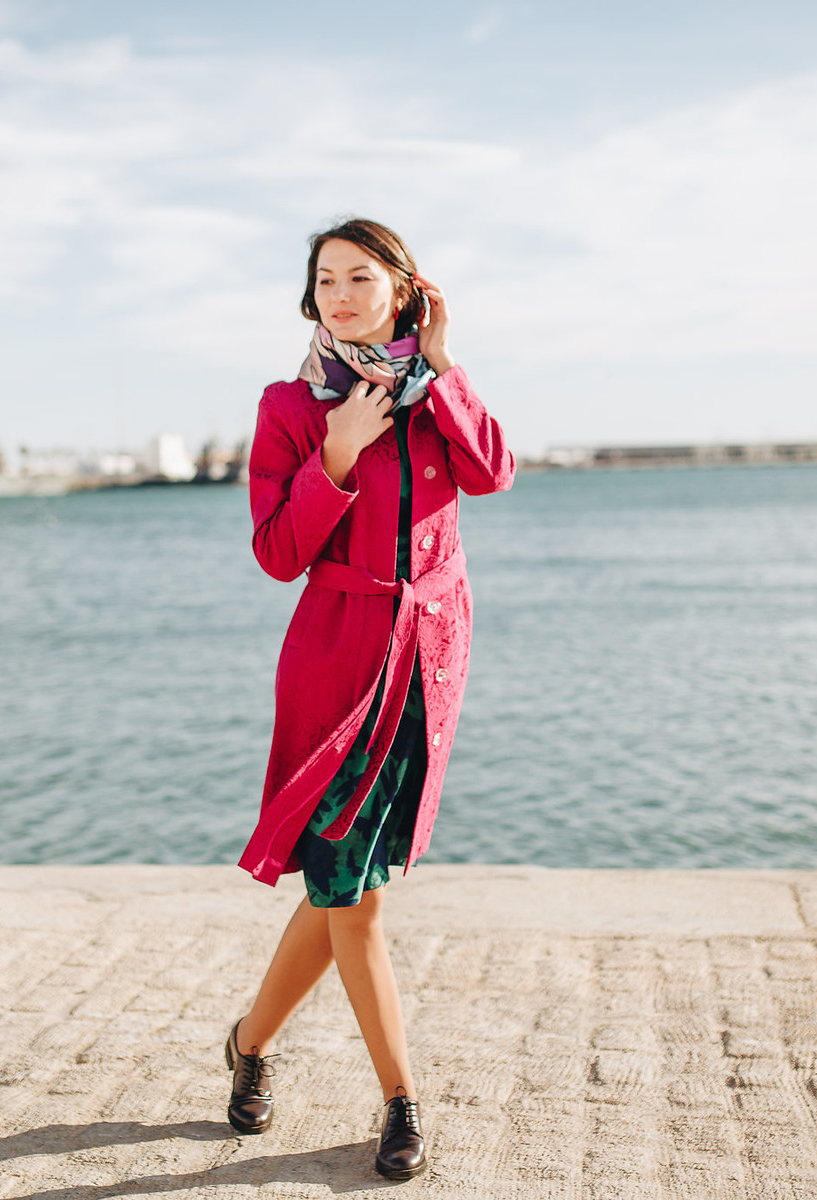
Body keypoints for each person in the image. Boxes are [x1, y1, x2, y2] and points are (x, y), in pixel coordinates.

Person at [227, 218, 514, 1180]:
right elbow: (276, 554)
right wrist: (337, 452)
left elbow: (493, 472)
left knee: (345, 882)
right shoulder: (291, 406)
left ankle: (249, 1042)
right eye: (325, 280)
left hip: (429, 660)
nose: (342, 294)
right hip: (338, 664)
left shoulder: (435, 394)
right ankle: (400, 1101)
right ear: (311, 300)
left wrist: (443, 365)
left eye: (361, 277)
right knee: (355, 898)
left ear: (404, 289)